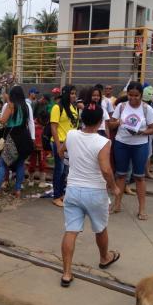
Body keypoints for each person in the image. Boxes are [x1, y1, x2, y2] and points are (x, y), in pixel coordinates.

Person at [59, 103, 121, 287]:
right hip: (95, 192)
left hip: (73, 189)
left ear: (82, 118)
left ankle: (67, 273)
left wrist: (72, 163)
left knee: (71, 230)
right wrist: (114, 187)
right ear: (101, 121)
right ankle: (104, 258)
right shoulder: (103, 142)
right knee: (100, 228)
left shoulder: (71, 134)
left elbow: (61, 152)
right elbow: (106, 169)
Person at [109, 82, 153, 220]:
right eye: (130, 95)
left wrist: (142, 132)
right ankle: (117, 204)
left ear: (141, 95)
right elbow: (111, 124)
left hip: (140, 145)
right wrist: (118, 123)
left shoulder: (147, 109)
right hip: (121, 143)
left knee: (139, 177)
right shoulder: (121, 106)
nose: (133, 98)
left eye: (136, 96)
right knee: (120, 175)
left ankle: (142, 209)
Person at [0, 86, 35, 198]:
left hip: (13, 137)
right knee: (20, 163)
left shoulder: (10, 105)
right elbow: (29, 122)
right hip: (24, 136)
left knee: (2, 163)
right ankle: (17, 190)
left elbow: (3, 121)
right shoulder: (26, 106)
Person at [50, 85, 79, 207]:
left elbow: (74, 126)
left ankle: (61, 193)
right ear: (66, 94)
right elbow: (53, 128)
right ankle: (56, 196)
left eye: (75, 93)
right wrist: (58, 147)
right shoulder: (57, 107)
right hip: (59, 142)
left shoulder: (74, 107)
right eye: (71, 93)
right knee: (59, 170)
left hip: (70, 144)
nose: (74, 96)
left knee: (66, 171)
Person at [28, 111, 50, 187]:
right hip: (33, 146)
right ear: (39, 118)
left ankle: (42, 181)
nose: (44, 122)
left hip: (42, 147)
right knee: (32, 163)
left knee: (42, 163)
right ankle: (31, 180)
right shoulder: (32, 123)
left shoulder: (47, 124)